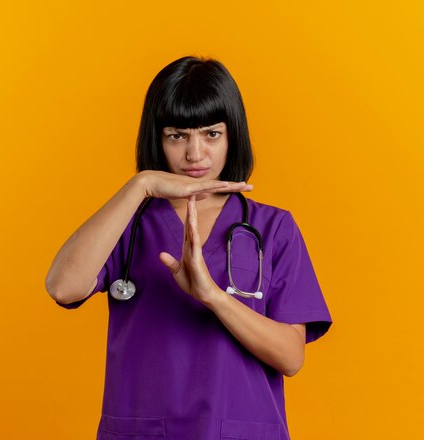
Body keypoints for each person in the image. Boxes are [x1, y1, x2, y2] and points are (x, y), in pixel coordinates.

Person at [45, 55, 333, 440]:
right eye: (177, 135)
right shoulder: (129, 223)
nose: (194, 154)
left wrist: (211, 295)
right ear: (157, 138)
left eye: (211, 134)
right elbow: (63, 287)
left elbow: (291, 357)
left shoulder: (273, 228)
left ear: (233, 136)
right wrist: (140, 185)